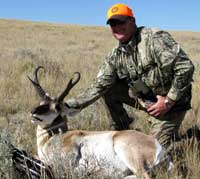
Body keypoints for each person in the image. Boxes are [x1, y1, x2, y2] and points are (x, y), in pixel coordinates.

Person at [66, 3, 194, 150]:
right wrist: (67, 106)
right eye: (113, 23)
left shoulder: (154, 39)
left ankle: (192, 140)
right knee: (108, 88)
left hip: (172, 105)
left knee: (153, 152)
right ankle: (122, 131)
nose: (117, 27)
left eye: (121, 22)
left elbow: (185, 68)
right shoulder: (116, 55)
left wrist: (168, 101)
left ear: (132, 21)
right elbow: (99, 85)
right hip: (147, 99)